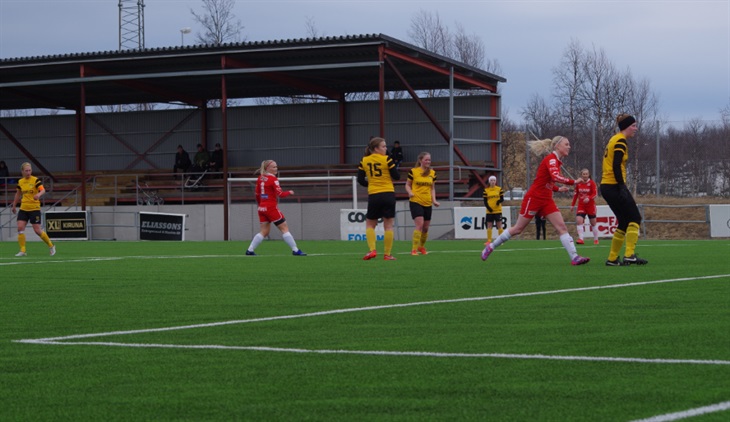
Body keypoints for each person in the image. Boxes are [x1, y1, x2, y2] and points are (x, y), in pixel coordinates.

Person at [480, 136, 589, 266]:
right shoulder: (551, 159)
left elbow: (546, 181)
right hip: (534, 198)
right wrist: (573, 181)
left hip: (547, 200)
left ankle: (574, 257)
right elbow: (555, 177)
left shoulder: (556, 161)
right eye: (566, 144)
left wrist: (558, 189)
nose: (569, 147)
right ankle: (491, 246)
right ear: (557, 146)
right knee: (518, 229)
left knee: (562, 227)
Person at [600, 114, 647, 266]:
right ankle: (629, 255)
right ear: (626, 127)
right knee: (635, 218)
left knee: (624, 221)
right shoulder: (620, 140)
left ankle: (612, 259)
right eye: (633, 126)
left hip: (607, 186)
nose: (635, 128)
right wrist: (621, 186)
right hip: (614, 185)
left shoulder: (613, 139)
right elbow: (616, 164)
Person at [245, 160, 306, 256]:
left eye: (276, 167)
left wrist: (261, 204)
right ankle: (295, 250)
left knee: (264, 231)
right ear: (267, 168)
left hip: (262, 208)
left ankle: (250, 250)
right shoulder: (273, 179)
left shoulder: (260, 178)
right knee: (284, 228)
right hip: (271, 208)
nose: (276, 169)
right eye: (273, 167)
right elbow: (280, 194)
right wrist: (289, 192)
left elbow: (257, 194)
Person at [358, 136, 400, 260]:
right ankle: (387, 254)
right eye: (384, 146)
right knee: (389, 226)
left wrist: (371, 183)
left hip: (374, 195)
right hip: (388, 194)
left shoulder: (364, 160)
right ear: (376, 148)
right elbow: (397, 176)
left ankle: (372, 250)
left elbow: (360, 180)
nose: (386, 148)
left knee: (370, 224)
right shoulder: (387, 159)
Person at [11, 162, 56, 257]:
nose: (28, 172)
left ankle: (51, 245)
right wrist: (14, 205)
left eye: (29, 170)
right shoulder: (20, 182)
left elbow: (43, 190)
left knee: (37, 230)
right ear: (22, 171)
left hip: (34, 208)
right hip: (23, 208)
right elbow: (18, 194)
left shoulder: (35, 180)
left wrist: (38, 195)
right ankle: (23, 250)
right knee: (20, 228)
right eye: (26, 171)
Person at [405, 152, 440, 255]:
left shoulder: (432, 173)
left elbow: (432, 188)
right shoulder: (413, 171)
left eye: (429, 160)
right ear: (420, 160)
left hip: (427, 202)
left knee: (425, 228)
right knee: (419, 225)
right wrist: (410, 192)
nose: (428, 161)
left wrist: (434, 200)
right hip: (416, 201)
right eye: (426, 160)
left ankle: (421, 247)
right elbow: (407, 185)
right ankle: (414, 249)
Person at [571, 168, 599, 245]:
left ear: (588, 175)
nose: (585, 175)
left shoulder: (592, 183)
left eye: (586, 174)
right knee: (579, 221)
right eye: (584, 174)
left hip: (590, 206)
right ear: (581, 175)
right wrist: (572, 205)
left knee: (593, 223)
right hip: (581, 205)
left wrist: (589, 198)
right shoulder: (578, 183)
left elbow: (595, 194)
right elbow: (575, 195)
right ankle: (581, 239)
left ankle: (596, 239)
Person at [482, 175, 504, 245]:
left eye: (494, 180)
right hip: (489, 211)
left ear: (495, 181)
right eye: (491, 180)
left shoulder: (499, 189)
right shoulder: (486, 190)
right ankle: (489, 241)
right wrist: (489, 208)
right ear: (489, 181)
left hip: (497, 211)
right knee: (489, 226)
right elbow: (485, 201)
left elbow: (502, 199)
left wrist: (498, 201)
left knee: (499, 225)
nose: (493, 182)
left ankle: (501, 240)